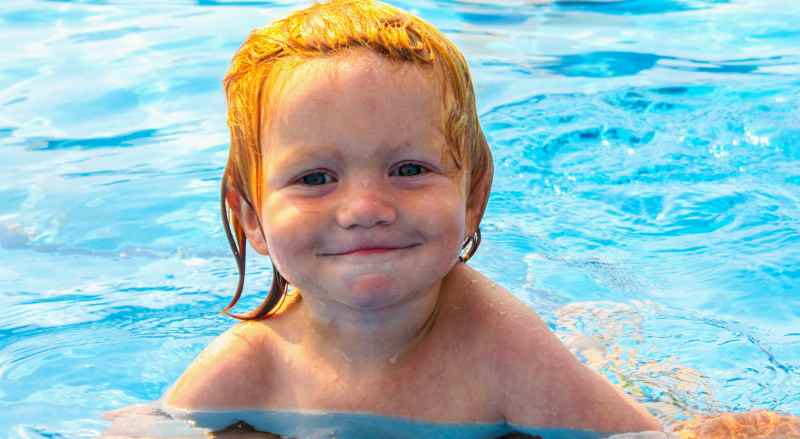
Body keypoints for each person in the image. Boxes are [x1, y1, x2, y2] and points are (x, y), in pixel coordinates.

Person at [160, 0, 662, 435]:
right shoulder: (251, 368)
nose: (365, 210)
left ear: (473, 199)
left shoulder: (501, 346)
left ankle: (599, 338)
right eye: (315, 179)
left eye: (409, 169)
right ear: (250, 217)